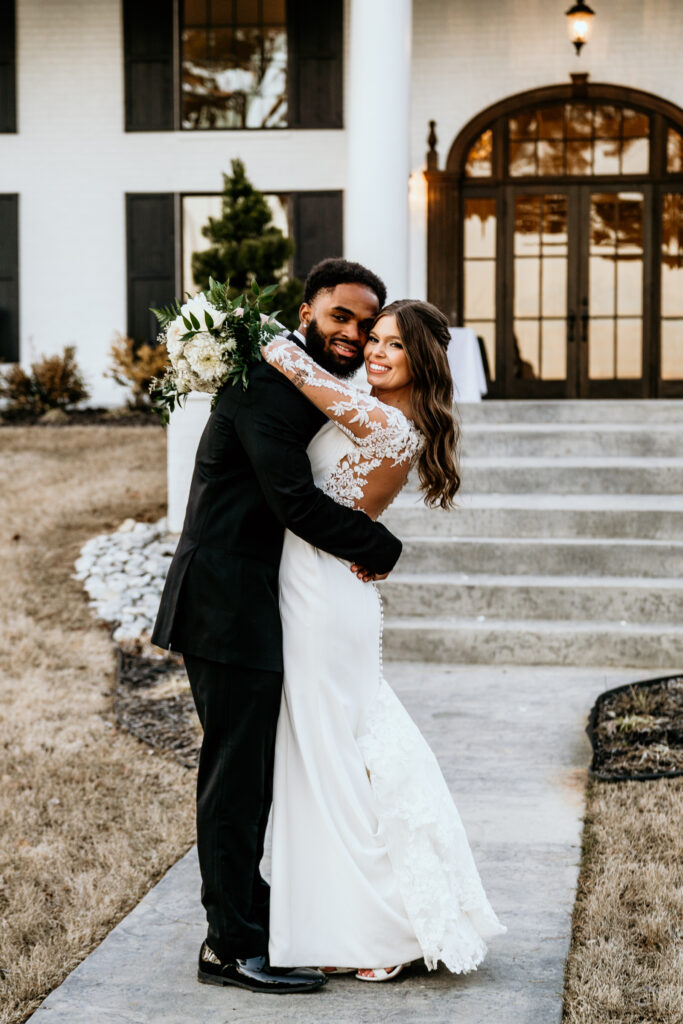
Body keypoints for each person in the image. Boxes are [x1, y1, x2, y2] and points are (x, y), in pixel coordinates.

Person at [152, 259, 403, 995]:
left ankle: (259, 924)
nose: (354, 335)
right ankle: (228, 948)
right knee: (235, 778)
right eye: (340, 317)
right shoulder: (267, 386)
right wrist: (381, 549)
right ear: (306, 312)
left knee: (253, 773)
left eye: (364, 323)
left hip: (260, 602)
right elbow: (292, 500)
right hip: (225, 603)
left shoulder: (298, 377)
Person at [262, 299, 506, 980]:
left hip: (322, 594)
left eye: (391, 345)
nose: (372, 350)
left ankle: (380, 927)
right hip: (317, 582)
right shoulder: (366, 407)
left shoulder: (389, 424)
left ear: (419, 361)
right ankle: (340, 912)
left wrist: (250, 337)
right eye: (372, 338)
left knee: (329, 752)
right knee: (325, 750)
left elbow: (290, 365)